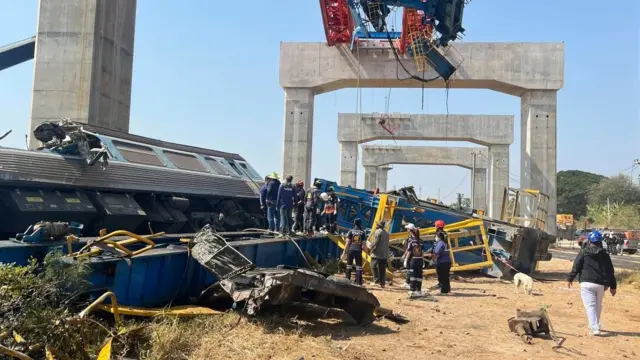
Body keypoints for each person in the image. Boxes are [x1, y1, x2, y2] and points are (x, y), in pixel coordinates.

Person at [567, 230, 617, 336]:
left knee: (590, 305)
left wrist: (570, 278)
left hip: (586, 283)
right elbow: (610, 271)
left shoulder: (584, 252)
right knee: (598, 305)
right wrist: (613, 286)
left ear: (589, 240)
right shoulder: (605, 254)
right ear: (600, 241)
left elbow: (576, 266)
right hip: (600, 285)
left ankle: (595, 328)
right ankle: (596, 324)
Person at [428, 220, 452, 294]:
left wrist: (433, 255)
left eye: (435, 226)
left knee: (442, 274)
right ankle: (442, 285)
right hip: (440, 255)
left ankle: (444, 288)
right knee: (442, 274)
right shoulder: (441, 234)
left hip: (440, 256)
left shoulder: (441, 235)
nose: (434, 227)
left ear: (438, 226)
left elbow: (439, 245)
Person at [343, 219, 366, 285]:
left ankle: (347, 282)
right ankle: (359, 283)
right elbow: (364, 245)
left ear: (354, 223)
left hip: (351, 250)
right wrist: (367, 253)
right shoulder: (362, 232)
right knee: (359, 267)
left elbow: (347, 242)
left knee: (349, 266)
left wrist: (344, 251)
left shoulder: (351, 231)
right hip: (358, 251)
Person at [403, 226, 424, 296]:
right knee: (419, 275)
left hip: (414, 260)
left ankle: (413, 290)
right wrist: (423, 260)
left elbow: (409, 251)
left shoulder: (411, 241)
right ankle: (419, 290)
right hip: (420, 260)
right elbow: (422, 252)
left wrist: (406, 259)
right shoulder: (421, 241)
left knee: (413, 275)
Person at [369, 220, 390, 288]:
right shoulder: (386, 233)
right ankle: (382, 283)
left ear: (378, 225)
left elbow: (375, 242)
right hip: (384, 254)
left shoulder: (378, 232)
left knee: (373, 266)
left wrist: (371, 249)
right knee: (382, 269)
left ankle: (376, 280)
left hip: (377, 253)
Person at [401, 223, 418, 289]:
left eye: (407, 228)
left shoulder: (412, 238)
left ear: (410, 229)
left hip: (411, 256)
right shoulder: (413, 236)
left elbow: (409, 249)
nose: (407, 230)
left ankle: (408, 282)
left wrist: (406, 257)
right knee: (410, 269)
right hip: (412, 255)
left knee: (409, 269)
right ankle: (409, 282)